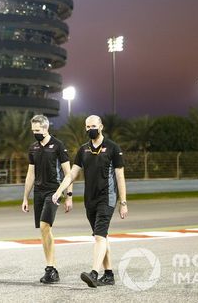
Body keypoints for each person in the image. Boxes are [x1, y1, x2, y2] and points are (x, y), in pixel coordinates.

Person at [52, 114, 128, 288]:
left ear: (101, 126)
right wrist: (59, 190)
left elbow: (120, 176)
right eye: (87, 127)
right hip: (90, 200)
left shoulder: (113, 148)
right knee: (101, 237)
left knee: (100, 236)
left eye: (93, 126)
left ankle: (94, 273)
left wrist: (123, 202)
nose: (90, 129)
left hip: (107, 198)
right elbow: (72, 173)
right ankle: (109, 275)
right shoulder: (83, 149)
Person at [21, 114, 72, 284]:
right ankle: (52, 268)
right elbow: (30, 174)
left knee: (44, 226)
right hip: (38, 192)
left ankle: (50, 268)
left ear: (46, 128)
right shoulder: (33, 148)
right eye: (33, 130)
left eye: (37, 130)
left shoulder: (58, 145)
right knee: (44, 231)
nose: (35, 133)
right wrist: (25, 197)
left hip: (54, 191)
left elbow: (68, 173)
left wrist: (68, 196)